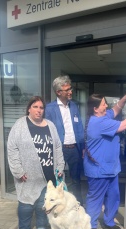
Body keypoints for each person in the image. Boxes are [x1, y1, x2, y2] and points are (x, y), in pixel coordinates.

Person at [83, 89, 126, 229]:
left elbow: (115, 110)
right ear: (95, 108)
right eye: (104, 104)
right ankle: (91, 225)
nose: (106, 106)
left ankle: (109, 221)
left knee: (113, 196)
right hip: (98, 170)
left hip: (111, 168)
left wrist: (125, 97)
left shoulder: (103, 116)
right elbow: (125, 124)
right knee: (96, 198)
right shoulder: (98, 122)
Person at [7, 96, 65, 229]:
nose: (39, 110)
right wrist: (18, 171)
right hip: (28, 175)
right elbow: (12, 149)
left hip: (48, 175)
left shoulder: (50, 125)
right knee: (26, 206)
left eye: (41, 107)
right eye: (35, 107)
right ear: (29, 109)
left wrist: (60, 165)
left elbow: (57, 147)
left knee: (43, 205)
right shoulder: (20, 125)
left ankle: (41, 228)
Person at [45, 75, 84, 205]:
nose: (70, 92)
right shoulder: (50, 109)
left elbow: (79, 126)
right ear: (58, 92)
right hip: (59, 149)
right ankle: (59, 204)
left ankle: (77, 204)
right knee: (58, 178)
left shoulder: (74, 106)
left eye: (70, 89)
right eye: (67, 90)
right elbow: (48, 131)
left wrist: (82, 147)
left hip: (74, 148)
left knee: (76, 179)